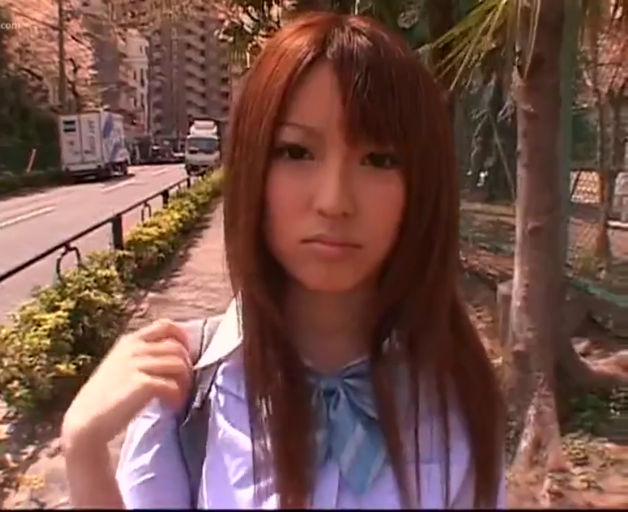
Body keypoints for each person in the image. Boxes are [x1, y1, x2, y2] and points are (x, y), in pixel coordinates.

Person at [61, 11, 506, 509]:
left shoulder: (457, 398)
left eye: (379, 160)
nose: (334, 201)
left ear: (423, 186)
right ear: (252, 165)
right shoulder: (183, 390)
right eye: (296, 152)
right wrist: (84, 450)